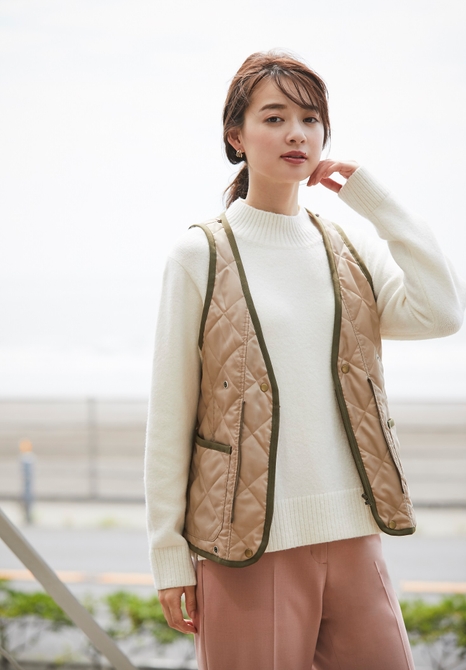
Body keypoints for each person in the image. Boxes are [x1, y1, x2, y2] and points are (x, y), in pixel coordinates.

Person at [144, 51, 465, 670]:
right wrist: (169, 554)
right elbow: (170, 415)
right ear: (236, 138)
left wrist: (378, 203)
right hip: (246, 546)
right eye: (274, 118)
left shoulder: (347, 247)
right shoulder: (200, 254)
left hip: (355, 534)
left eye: (310, 119)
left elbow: (442, 313)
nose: (297, 133)